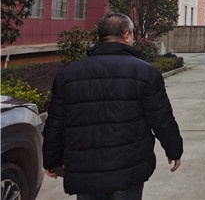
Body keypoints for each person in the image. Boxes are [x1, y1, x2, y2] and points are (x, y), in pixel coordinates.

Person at [42, 12, 183, 200]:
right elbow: (161, 118)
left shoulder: (67, 75)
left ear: (99, 37)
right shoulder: (146, 72)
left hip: (85, 169)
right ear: (126, 35)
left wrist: (51, 159)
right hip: (128, 167)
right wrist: (174, 150)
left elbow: (55, 121)